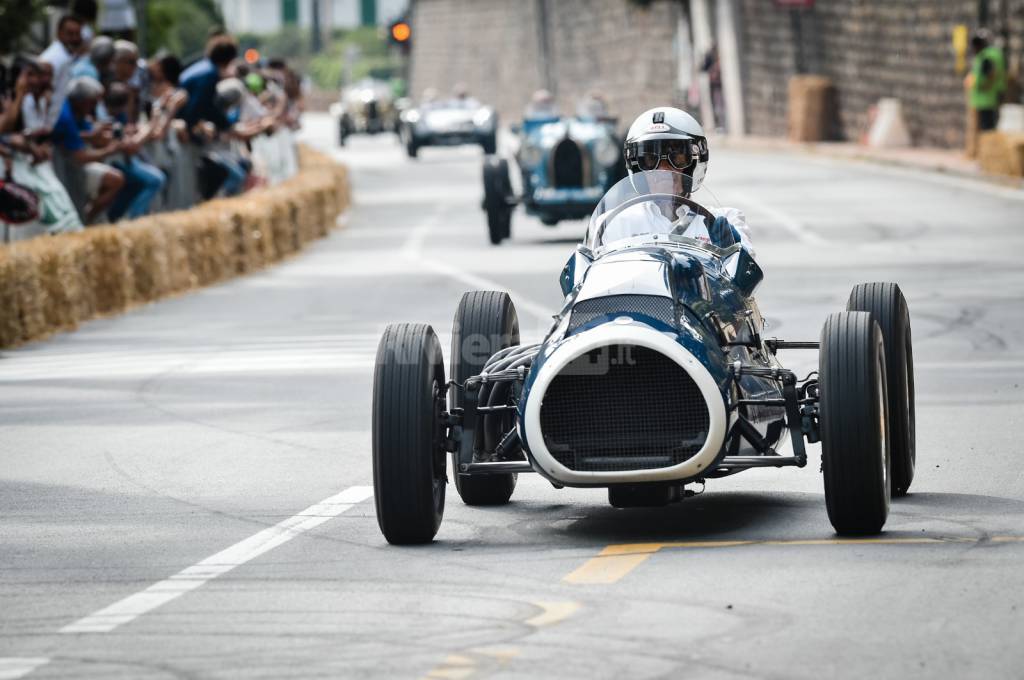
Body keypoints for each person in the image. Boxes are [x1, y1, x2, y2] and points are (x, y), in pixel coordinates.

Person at [595, 106, 753, 255]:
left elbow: (746, 272)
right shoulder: (613, 223)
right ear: (636, 166)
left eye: (676, 158)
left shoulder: (724, 221)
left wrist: (732, 248)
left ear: (694, 163)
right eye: (650, 159)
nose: (663, 170)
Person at [39, 14, 85, 127]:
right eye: (70, 34)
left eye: (77, 34)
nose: (74, 38)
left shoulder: (65, 56)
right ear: (59, 33)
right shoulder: (56, 58)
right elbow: (44, 95)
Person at [967, 30, 1007, 132]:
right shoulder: (992, 54)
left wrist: (981, 85)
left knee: (987, 129)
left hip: (986, 100)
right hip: (988, 98)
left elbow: (990, 75)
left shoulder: (987, 56)